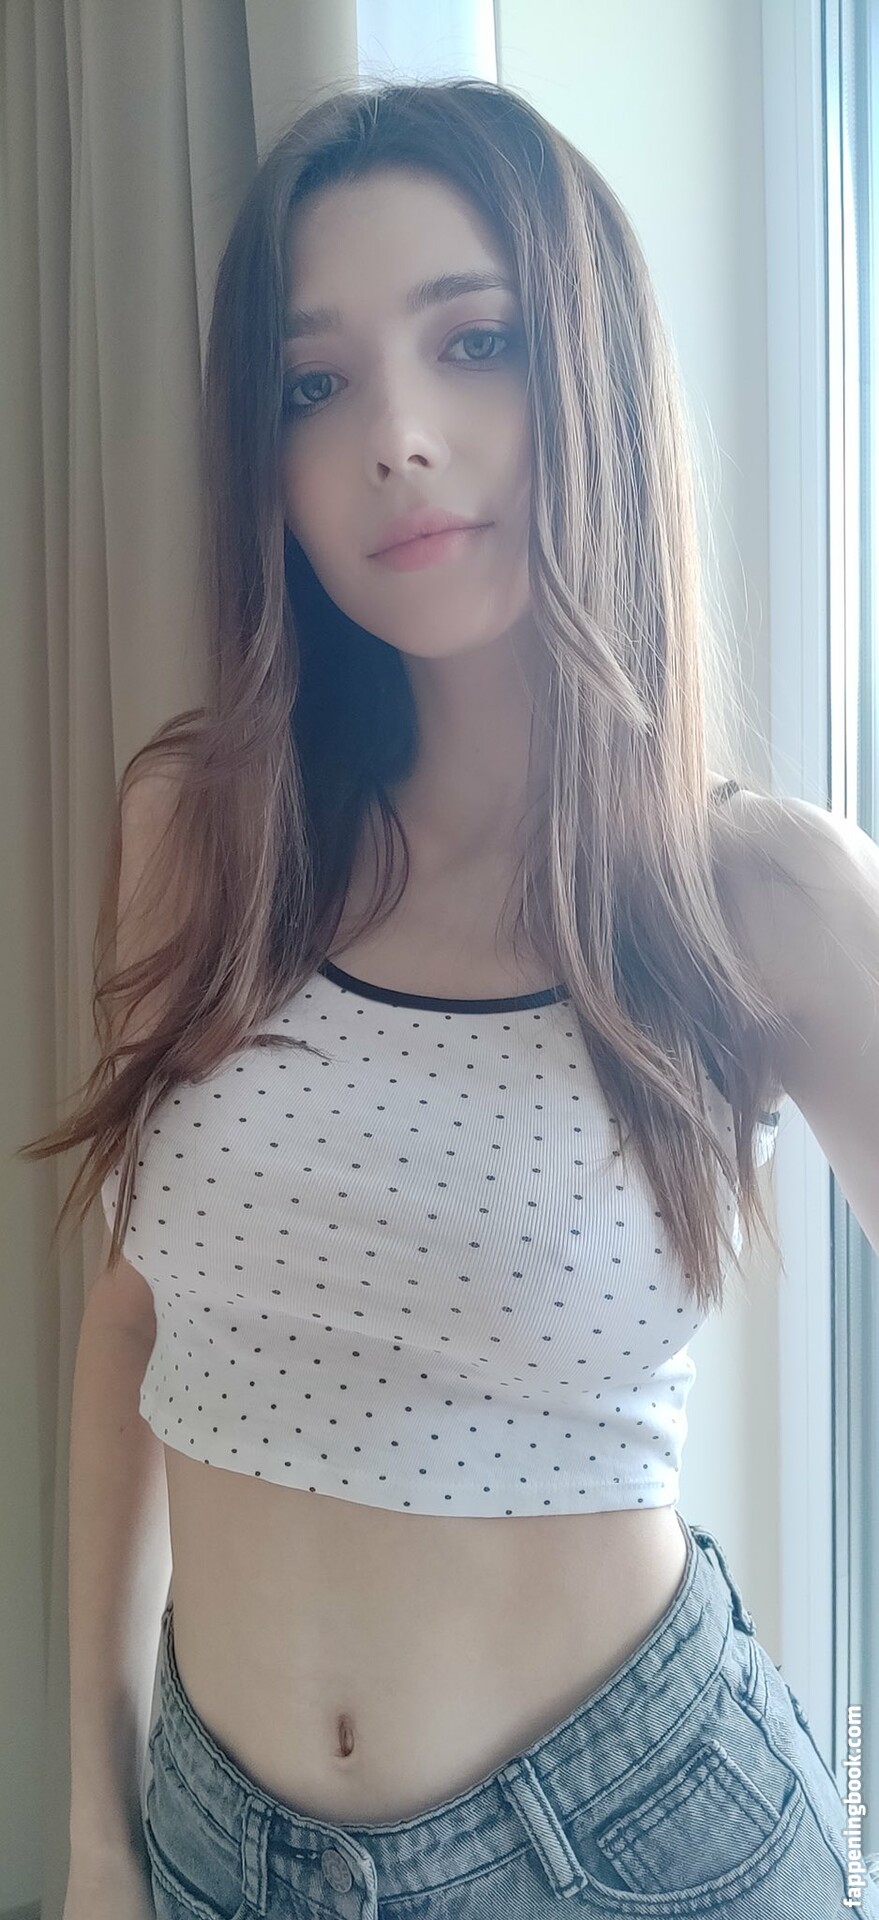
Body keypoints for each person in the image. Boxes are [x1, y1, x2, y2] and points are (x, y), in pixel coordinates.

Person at [38, 78, 879, 1918]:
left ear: (591, 377)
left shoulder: (760, 893)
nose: (396, 439)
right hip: (215, 1844)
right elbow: (136, 1317)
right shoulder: (205, 831)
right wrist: (99, 1828)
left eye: (474, 342)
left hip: (633, 1851)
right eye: (313, 384)